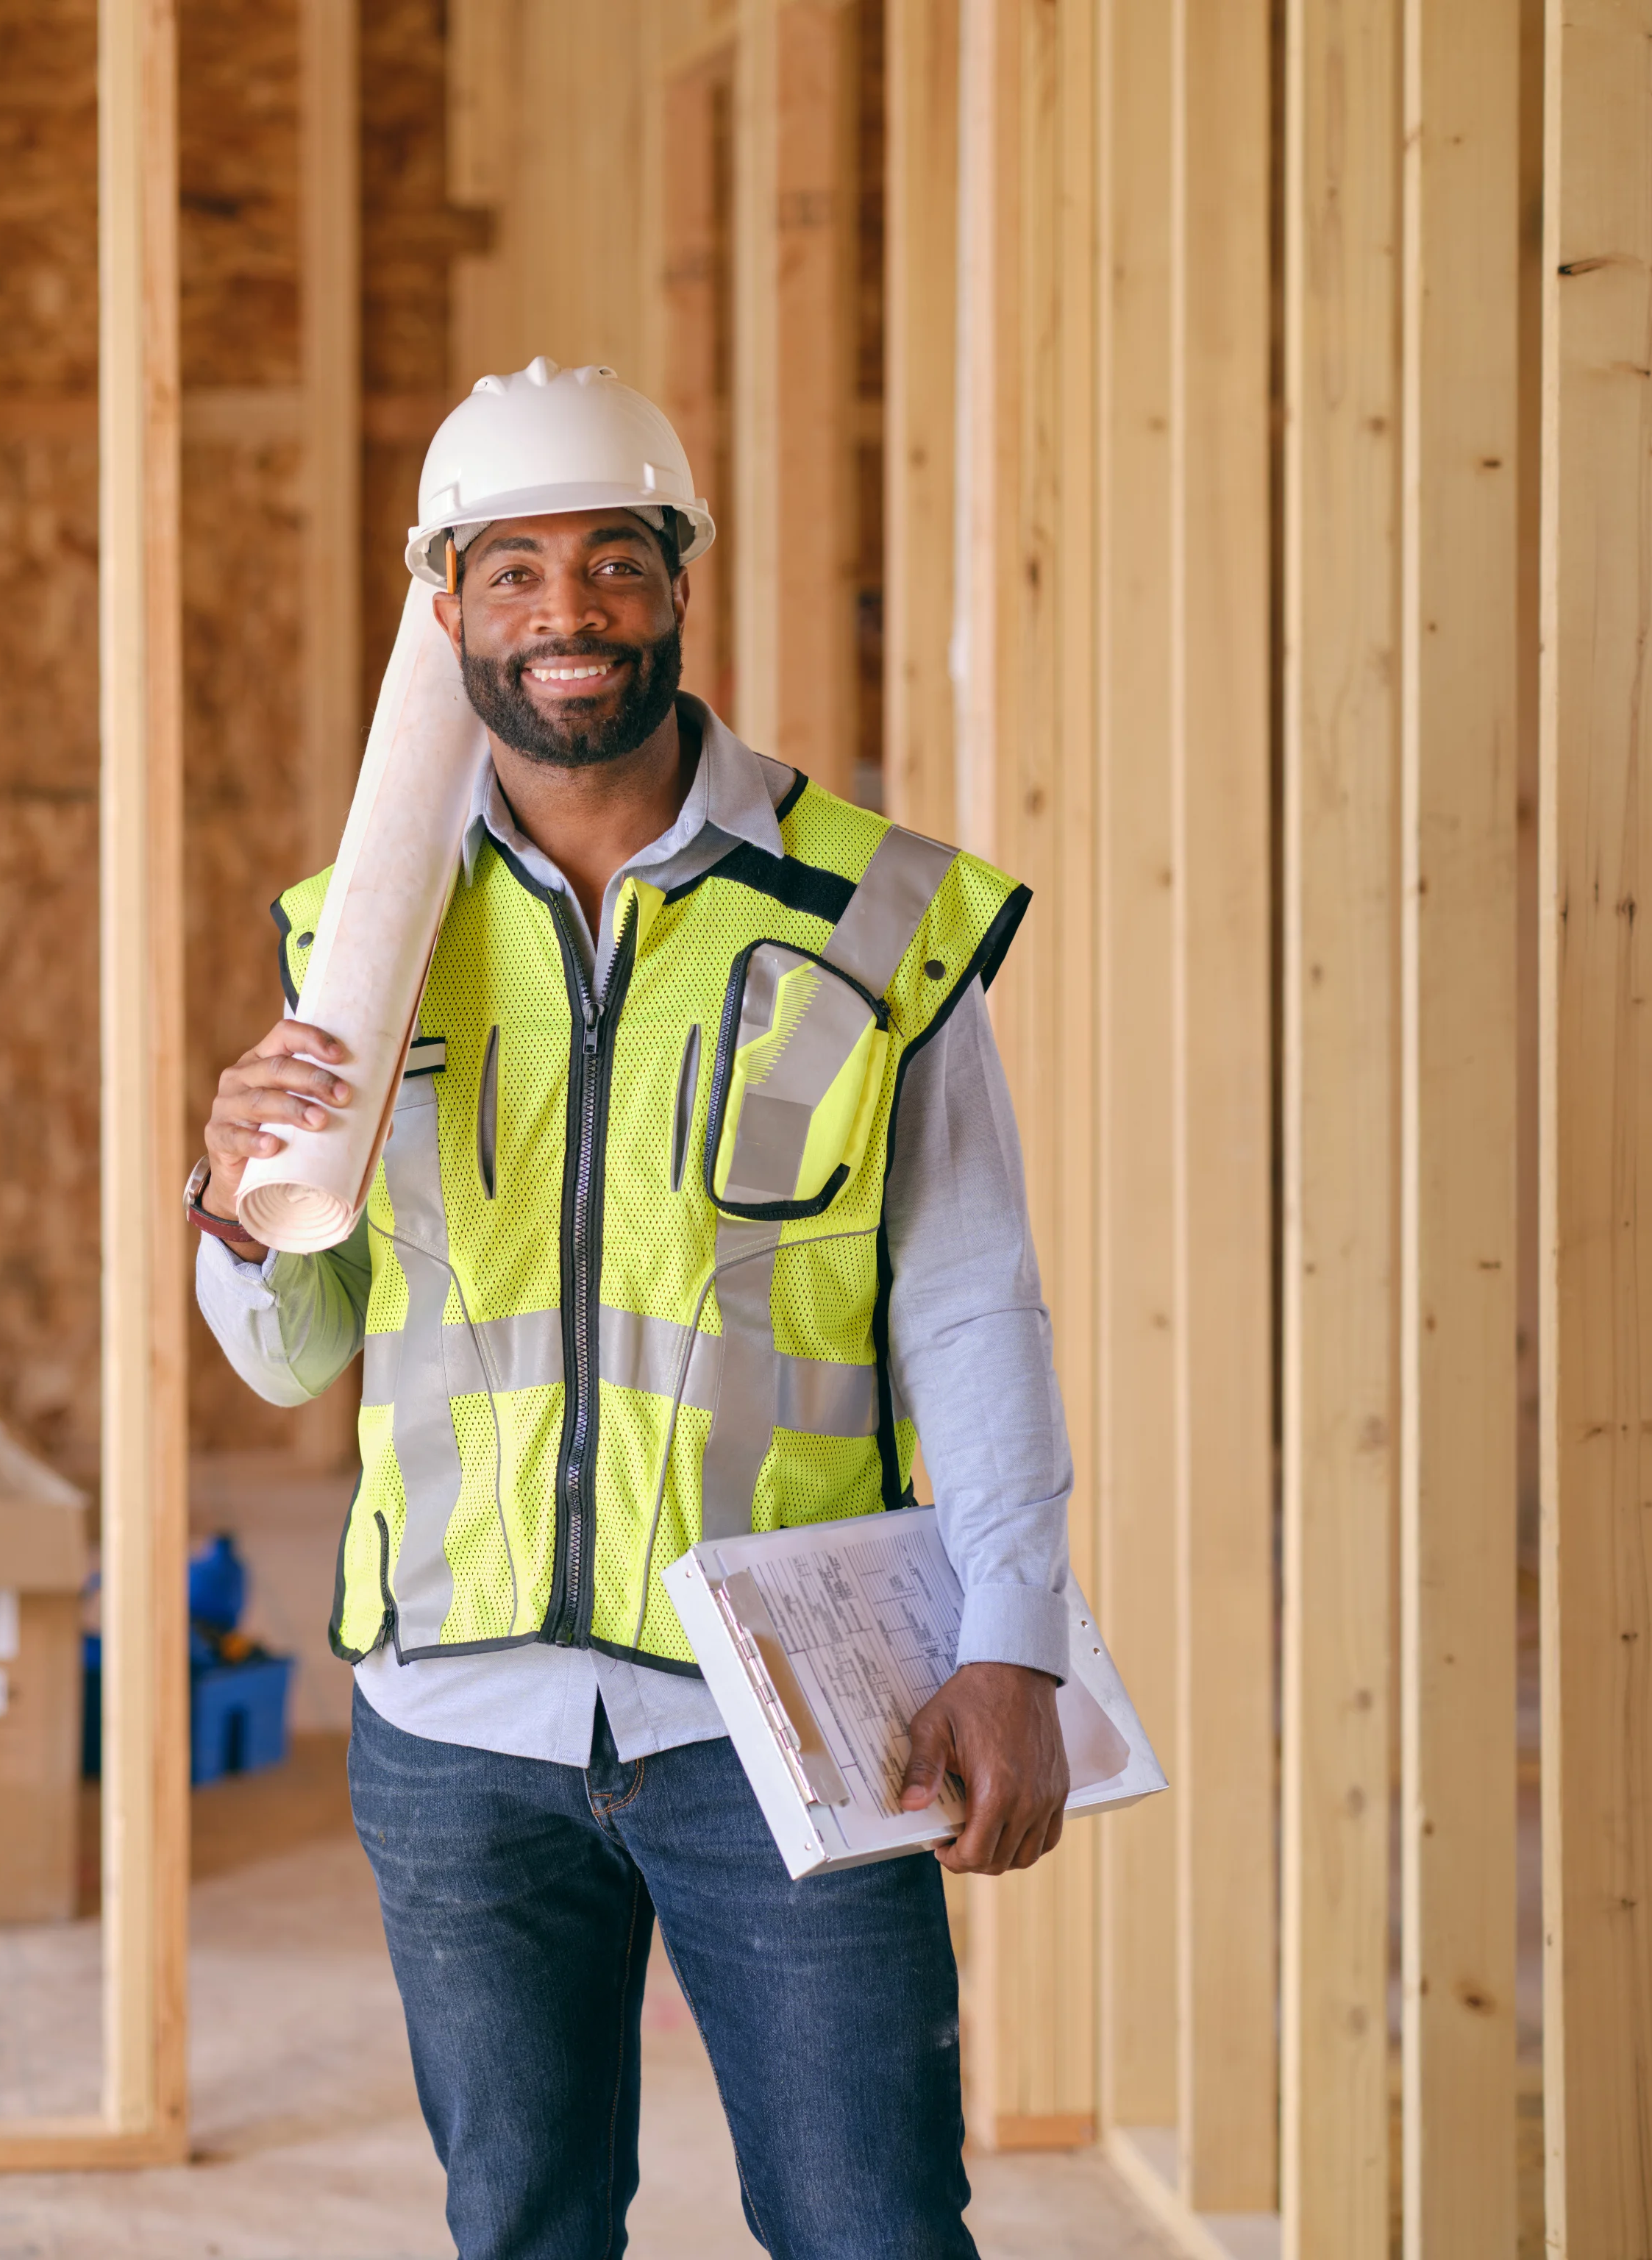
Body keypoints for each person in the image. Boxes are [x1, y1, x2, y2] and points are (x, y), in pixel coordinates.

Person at [182, 359, 1075, 2259]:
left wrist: (1017, 1639)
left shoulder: (861, 916)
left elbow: (975, 1305)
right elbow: (296, 1343)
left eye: (610, 566)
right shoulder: (364, 939)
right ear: (447, 610)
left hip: (789, 1712)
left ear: (681, 582)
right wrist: (235, 1206)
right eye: (512, 575)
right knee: (523, 2228)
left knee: (876, 2228)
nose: (564, 619)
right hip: (457, 1728)